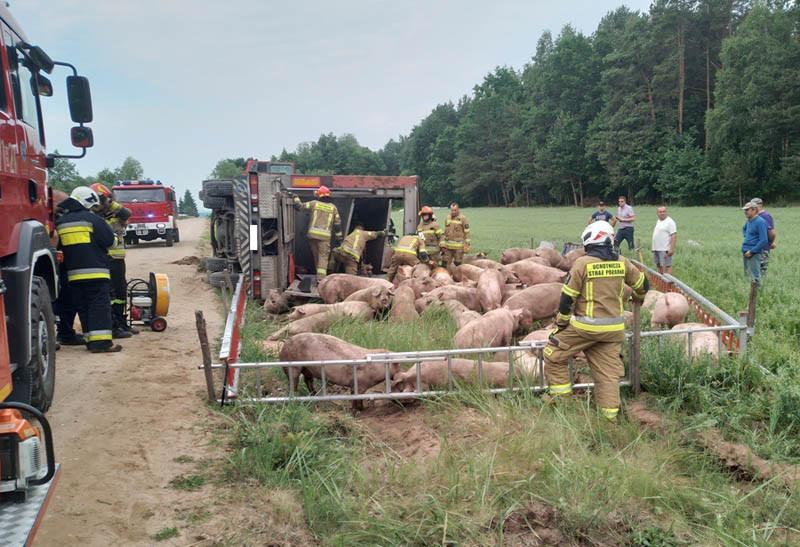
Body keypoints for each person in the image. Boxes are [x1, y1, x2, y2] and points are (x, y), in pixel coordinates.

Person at [544, 220, 648, 421]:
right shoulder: (622, 262)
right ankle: (608, 419)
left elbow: (567, 298)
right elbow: (643, 285)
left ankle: (563, 403)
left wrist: (562, 323)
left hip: (586, 327)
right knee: (608, 375)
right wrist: (638, 297)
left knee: (553, 354)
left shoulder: (583, 263)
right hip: (614, 329)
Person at [55, 186, 122, 353]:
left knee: (83, 306)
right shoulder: (94, 221)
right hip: (97, 273)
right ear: (89, 203)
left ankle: (89, 340)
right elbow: (110, 242)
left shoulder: (61, 223)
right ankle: (101, 343)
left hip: (73, 276)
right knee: (99, 306)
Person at [91, 182, 137, 338]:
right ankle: (113, 326)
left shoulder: (114, 212)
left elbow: (126, 213)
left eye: (107, 200)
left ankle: (121, 323)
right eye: (103, 200)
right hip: (105, 259)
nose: (105, 203)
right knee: (110, 295)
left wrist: (111, 203)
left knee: (120, 293)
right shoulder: (94, 216)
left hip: (118, 259)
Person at [292, 186, 342, 280]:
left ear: (319, 195)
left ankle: (319, 277)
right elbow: (337, 224)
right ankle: (321, 281)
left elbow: (299, 207)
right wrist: (339, 238)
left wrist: (295, 197)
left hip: (312, 236)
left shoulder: (314, 204)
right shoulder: (333, 208)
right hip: (324, 238)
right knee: (323, 258)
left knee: (317, 258)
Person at [741, 201, 769, 288]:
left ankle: (757, 295)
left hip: (753, 253)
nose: (745, 212)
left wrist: (752, 251)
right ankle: (749, 293)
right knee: (748, 273)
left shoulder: (760, 222)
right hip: (746, 250)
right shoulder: (749, 221)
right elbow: (744, 229)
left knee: (755, 276)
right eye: (744, 210)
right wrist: (747, 237)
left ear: (754, 210)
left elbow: (764, 240)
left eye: (747, 210)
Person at [751, 197, 776, 277]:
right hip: (755, 247)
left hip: (762, 248)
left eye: (753, 206)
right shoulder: (756, 216)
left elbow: (771, 233)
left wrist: (770, 243)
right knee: (755, 272)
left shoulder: (765, 216)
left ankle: (760, 288)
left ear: (760, 205)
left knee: (760, 272)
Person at [440, 202, 470, 269]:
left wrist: (467, 243)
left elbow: (467, 231)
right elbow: (445, 230)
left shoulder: (463, 218)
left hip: (458, 247)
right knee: (445, 262)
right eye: (452, 210)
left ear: (458, 209)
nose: (453, 212)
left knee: (458, 264)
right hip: (448, 246)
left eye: (455, 210)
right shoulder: (447, 217)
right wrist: (443, 243)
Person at [651, 206, 677, 274]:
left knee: (667, 265)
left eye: (664, 211)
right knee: (659, 265)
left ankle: (668, 282)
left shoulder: (670, 222)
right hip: (657, 248)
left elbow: (673, 235)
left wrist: (671, 249)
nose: (662, 213)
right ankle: (660, 281)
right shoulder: (659, 221)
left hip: (664, 248)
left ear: (666, 212)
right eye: (660, 212)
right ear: (657, 213)